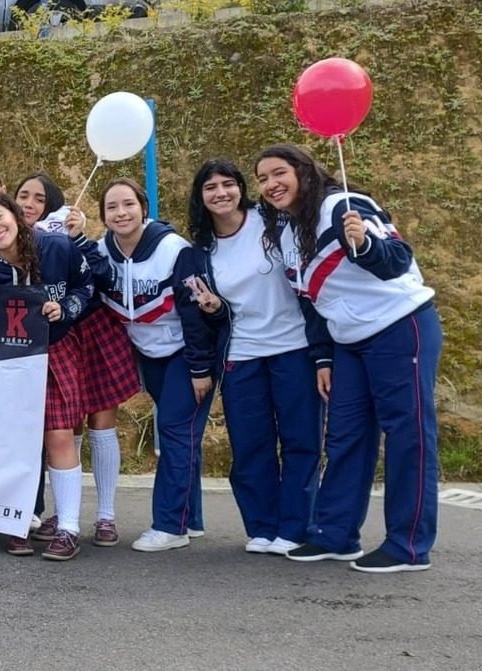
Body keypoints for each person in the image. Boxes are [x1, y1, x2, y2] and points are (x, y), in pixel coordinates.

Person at [256, 144, 441, 573]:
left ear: (303, 171)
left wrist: (364, 244)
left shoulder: (345, 206)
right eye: (263, 178)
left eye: (278, 173)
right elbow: (311, 301)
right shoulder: (284, 233)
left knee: (407, 436)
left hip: (399, 326)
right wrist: (323, 358)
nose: (270, 184)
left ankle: (408, 546)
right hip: (347, 343)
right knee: (344, 436)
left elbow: (398, 260)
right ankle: (335, 535)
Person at [177, 158, 322, 556]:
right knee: (251, 446)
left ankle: (296, 527)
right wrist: (213, 310)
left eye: (228, 184)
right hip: (242, 356)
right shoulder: (200, 252)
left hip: (295, 349)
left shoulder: (274, 223)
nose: (220, 193)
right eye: (210, 188)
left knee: (301, 442)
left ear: (242, 188)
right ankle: (262, 525)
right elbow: (206, 319)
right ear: (201, 198)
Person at [68, 178, 210, 553]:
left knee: (175, 430)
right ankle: (190, 518)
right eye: (112, 207)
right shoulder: (101, 250)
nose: (121, 213)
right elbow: (92, 287)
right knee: (183, 436)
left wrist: (199, 368)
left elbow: (196, 316)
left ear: (143, 208)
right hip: (146, 354)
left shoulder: (174, 250)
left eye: (128, 204)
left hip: (184, 351)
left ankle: (169, 525)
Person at [0, 192, 93, 559]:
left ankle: (68, 527)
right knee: (16, 440)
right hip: (10, 359)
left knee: (59, 435)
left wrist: (66, 307)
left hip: (56, 349)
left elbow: (87, 288)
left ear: (16, 215)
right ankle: (17, 519)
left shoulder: (57, 247)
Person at [18, 172, 137, 549]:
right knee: (64, 428)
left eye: (39, 198)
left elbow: (101, 277)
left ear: (53, 205)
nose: (29, 203)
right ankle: (64, 513)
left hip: (92, 329)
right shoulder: (8, 241)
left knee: (101, 424)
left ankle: (105, 516)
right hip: (54, 337)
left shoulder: (68, 237)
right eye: (23, 195)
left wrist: (79, 237)